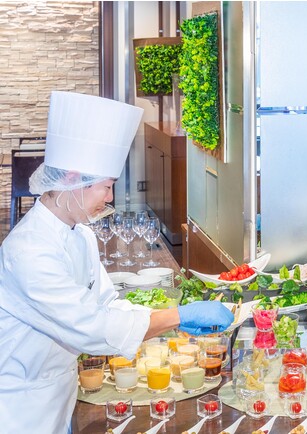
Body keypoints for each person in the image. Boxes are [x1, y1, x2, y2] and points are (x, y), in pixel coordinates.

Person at [0, 92, 234, 433]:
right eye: (106, 187)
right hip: (21, 406)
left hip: (60, 392)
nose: (110, 197)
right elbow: (92, 327)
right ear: (72, 180)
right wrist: (178, 316)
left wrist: (170, 322)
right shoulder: (29, 250)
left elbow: (108, 304)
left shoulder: (80, 234)